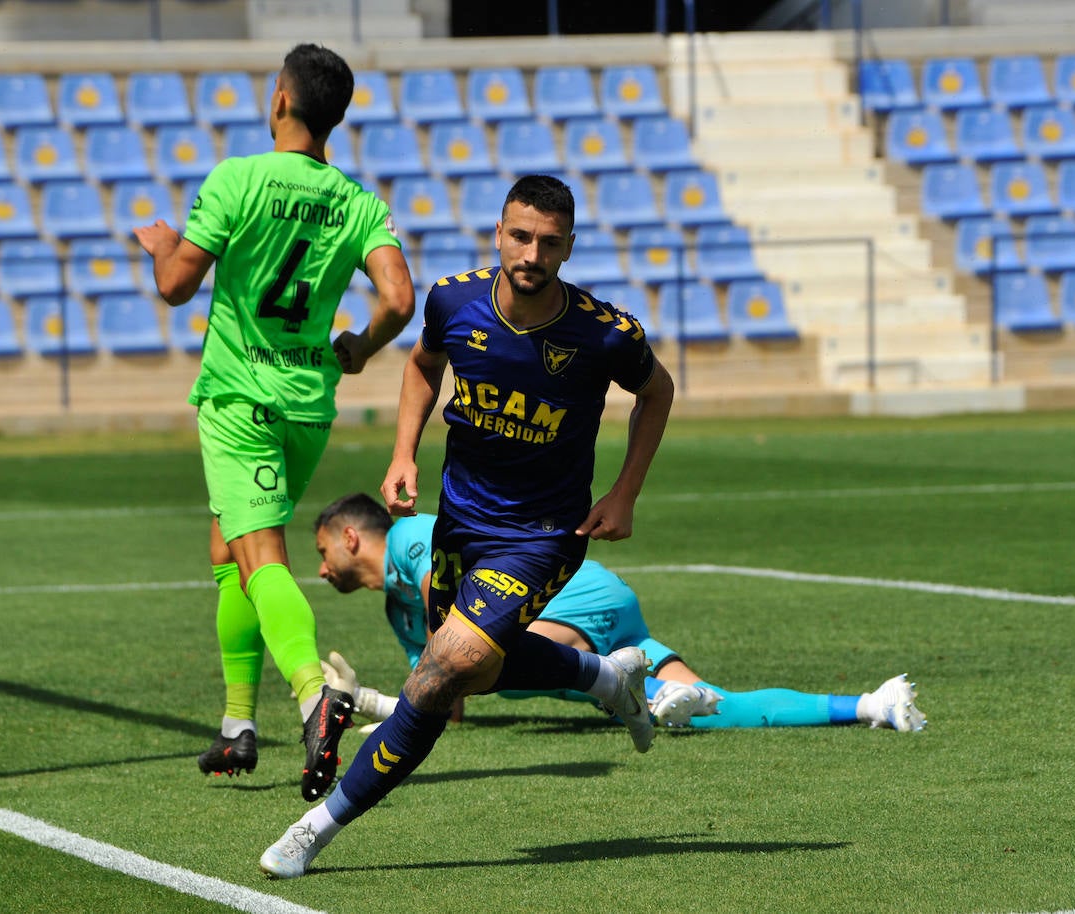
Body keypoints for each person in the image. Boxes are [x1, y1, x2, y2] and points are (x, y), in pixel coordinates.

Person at [260, 174, 675, 878]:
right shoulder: (453, 300)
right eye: (520, 236)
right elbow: (423, 365)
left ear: (568, 248)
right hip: (460, 523)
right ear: (499, 234)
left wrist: (625, 492)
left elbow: (657, 391)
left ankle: (314, 830)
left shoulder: (604, 334)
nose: (531, 253)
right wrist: (401, 454)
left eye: (548, 242)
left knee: (437, 675)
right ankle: (605, 679)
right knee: (472, 677)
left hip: (543, 535)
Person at [134, 43, 415, 801]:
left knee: (260, 557)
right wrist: (358, 346)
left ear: (282, 100)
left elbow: (175, 287)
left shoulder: (238, 179)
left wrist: (162, 247)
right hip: (306, 406)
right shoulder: (357, 202)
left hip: (239, 400)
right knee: (228, 547)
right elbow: (398, 299)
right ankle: (235, 728)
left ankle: (311, 693)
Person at [310, 493, 927, 732]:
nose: (320, 569)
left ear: (351, 535)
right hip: (606, 606)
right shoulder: (398, 615)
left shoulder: (413, 535)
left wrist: (368, 705)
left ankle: (639, 690)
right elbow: (451, 703)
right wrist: (366, 700)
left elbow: (466, 670)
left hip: (574, 593)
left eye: (321, 551)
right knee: (715, 709)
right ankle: (872, 706)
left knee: (506, 661)